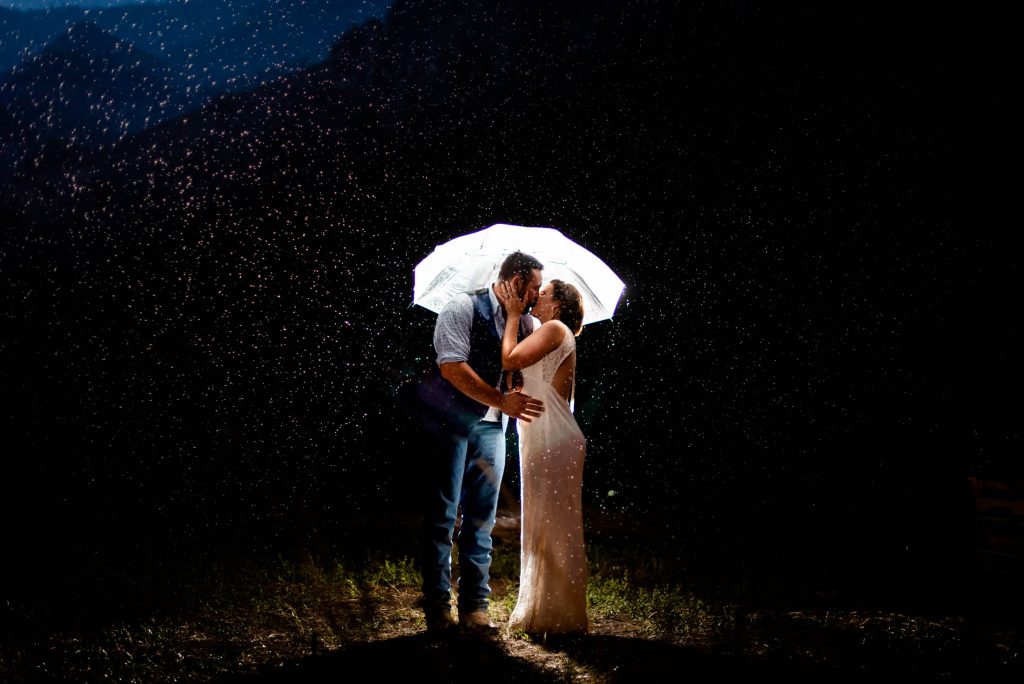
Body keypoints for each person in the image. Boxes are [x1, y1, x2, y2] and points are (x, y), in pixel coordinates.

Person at [414, 250, 546, 634]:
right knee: (442, 516)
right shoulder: (461, 307)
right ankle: (438, 607)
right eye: (534, 286)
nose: (537, 294)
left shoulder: (527, 323)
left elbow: (525, 368)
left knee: (481, 519)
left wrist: (517, 387)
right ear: (517, 283)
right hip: (450, 424)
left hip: (493, 429)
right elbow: (452, 366)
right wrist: (499, 398)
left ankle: (475, 608)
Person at [497, 278, 588, 636]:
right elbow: (529, 377)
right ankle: (546, 613)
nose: (538, 296)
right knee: (543, 521)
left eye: (544, 293)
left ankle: (557, 618)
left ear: (558, 304)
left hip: (552, 437)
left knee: (552, 524)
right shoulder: (548, 331)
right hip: (543, 435)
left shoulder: (554, 327)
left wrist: (512, 313)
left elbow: (508, 358)